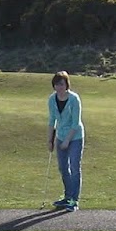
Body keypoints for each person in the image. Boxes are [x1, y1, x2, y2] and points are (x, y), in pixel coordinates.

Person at [47, 70, 85, 211]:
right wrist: (50, 140)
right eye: (57, 84)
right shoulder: (52, 99)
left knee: (74, 167)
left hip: (75, 137)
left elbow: (76, 123)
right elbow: (52, 121)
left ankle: (74, 200)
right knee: (63, 168)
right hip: (60, 136)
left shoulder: (74, 99)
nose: (59, 87)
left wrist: (67, 141)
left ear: (66, 85)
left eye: (61, 84)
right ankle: (67, 196)